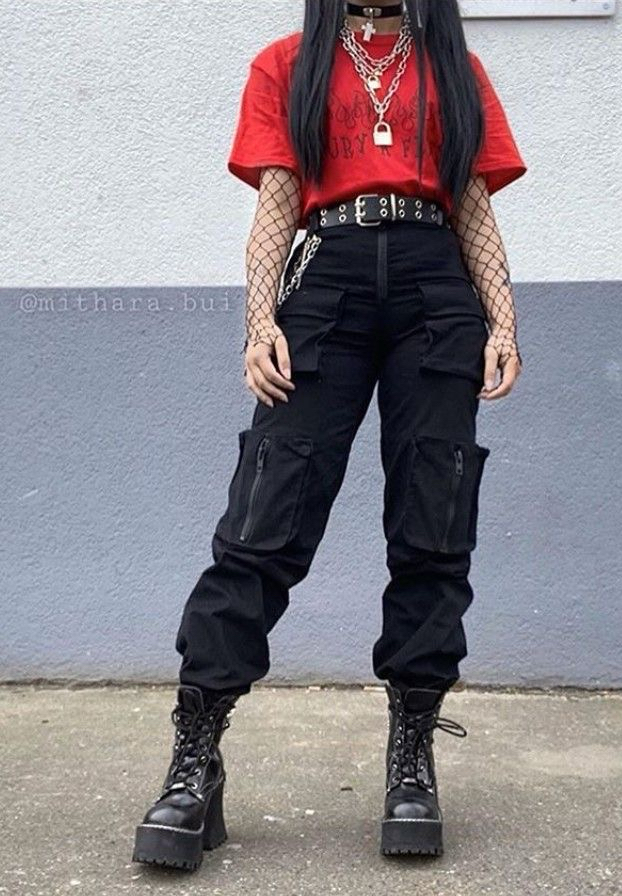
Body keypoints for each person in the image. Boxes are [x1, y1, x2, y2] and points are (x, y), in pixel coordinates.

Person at [133, 0, 527, 868]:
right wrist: (259, 323)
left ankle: (412, 758)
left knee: (434, 522)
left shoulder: (454, 67)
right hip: (326, 283)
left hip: (437, 288)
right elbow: (276, 204)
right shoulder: (288, 63)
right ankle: (195, 761)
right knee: (264, 521)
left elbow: (472, 205)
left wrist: (503, 321)